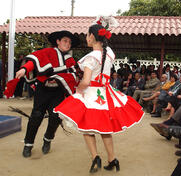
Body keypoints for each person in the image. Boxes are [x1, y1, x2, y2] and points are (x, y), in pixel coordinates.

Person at [54, 19, 144, 173]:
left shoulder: (90, 58)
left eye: (87, 35)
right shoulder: (109, 53)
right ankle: (112, 159)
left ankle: (95, 157)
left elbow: (86, 81)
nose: (86, 37)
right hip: (105, 93)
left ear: (91, 37)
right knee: (105, 128)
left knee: (87, 128)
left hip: (91, 94)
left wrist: (78, 91)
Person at [15, 30, 80, 158]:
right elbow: (33, 61)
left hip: (57, 92)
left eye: (69, 42)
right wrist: (24, 69)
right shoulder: (46, 52)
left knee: (56, 117)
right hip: (43, 90)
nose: (68, 44)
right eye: (65, 41)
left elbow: (76, 73)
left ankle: (47, 139)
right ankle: (28, 144)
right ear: (58, 41)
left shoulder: (69, 59)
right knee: (36, 117)